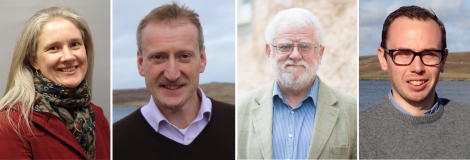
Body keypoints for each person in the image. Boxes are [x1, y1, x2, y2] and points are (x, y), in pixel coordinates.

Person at [113, 2, 235, 159]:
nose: (172, 74)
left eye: (184, 56)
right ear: (140, 63)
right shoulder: (115, 143)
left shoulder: (237, 124)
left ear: (202, 59)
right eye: (158, 57)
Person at [237, 8, 357, 159]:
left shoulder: (352, 111)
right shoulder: (239, 111)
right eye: (285, 46)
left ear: (320, 53)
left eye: (305, 46)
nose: (295, 55)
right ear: (269, 52)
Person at [360, 5, 470, 159]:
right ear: (383, 59)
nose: (417, 68)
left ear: (443, 60)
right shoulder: (358, 134)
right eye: (403, 54)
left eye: (430, 54)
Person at [0, 7, 110, 160]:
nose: (68, 56)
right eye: (53, 48)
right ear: (34, 60)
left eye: (74, 44)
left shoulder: (98, 117)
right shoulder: (11, 123)